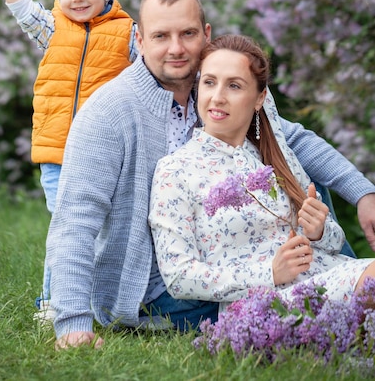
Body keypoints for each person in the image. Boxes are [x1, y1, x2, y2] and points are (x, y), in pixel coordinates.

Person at [46, 0, 375, 349]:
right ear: (138, 40)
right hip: (160, 287)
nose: (176, 48)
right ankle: (343, 298)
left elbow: (292, 140)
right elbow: (75, 217)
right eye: (161, 36)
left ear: (206, 34)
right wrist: (73, 322)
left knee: (300, 171)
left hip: (246, 252)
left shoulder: (223, 89)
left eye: (187, 33)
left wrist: (363, 193)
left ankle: (345, 281)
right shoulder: (109, 113)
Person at [0, 0, 138, 319]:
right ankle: (55, 302)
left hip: (104, 153)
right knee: (67, 226)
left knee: (103, 231)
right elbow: (16, 2)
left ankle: (102, 299)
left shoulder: (127, 34)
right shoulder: (52, 28)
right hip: (57, 152)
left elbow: (159, 66)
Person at [149, 34, 375, 311]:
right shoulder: (175, 170)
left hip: (329, 276)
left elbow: (333, 242)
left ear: (259, 98)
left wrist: (318, 232)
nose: (217, 97)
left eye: (234, 85)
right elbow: (178, 276)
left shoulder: (276, 156)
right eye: (209, 82)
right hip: (263, 306)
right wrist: (269, 272)